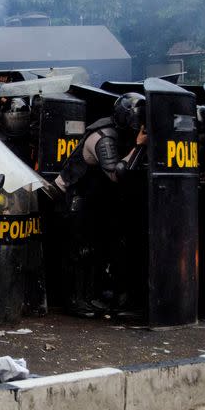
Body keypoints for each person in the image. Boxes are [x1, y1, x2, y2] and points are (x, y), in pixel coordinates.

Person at [54, 92, 148, 316]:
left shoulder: (119, 133)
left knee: (99, 248)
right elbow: (117, 173)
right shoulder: (103, 136)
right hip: (75, 197)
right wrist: (139, 145)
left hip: (94, 199)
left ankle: (94, 295)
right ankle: (77, 301)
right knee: (82, 250)